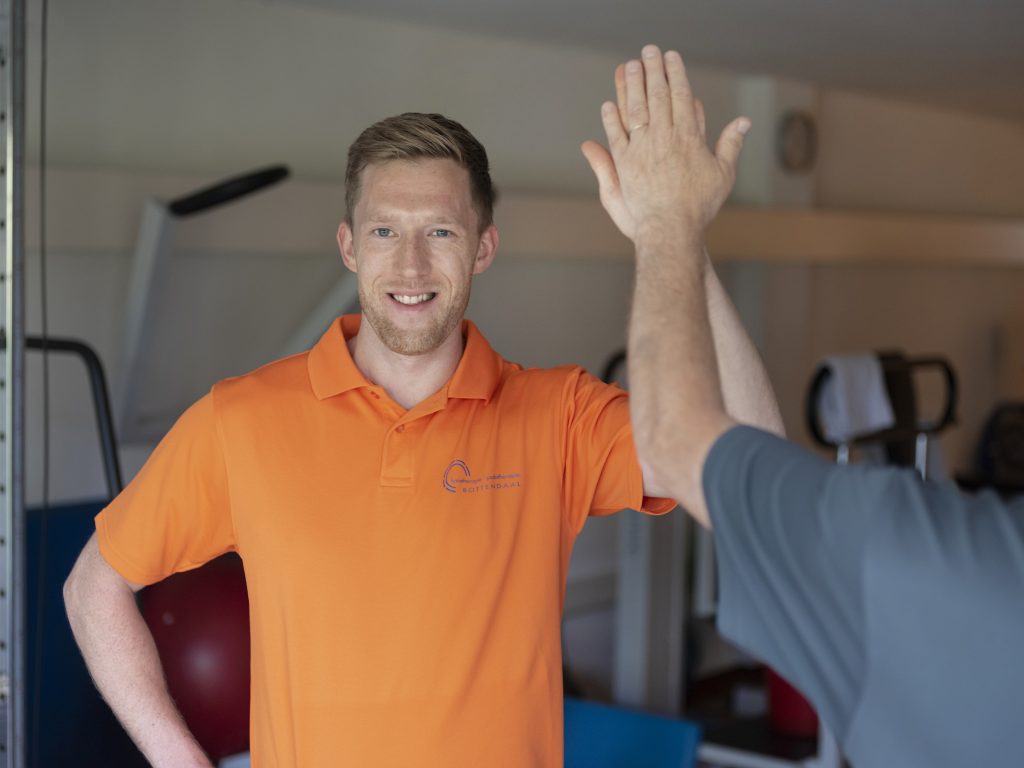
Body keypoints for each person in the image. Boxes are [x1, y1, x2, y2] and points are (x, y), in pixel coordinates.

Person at [64, 111, 780, 766]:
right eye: (385, 231)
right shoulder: (240, 420)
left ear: (483, 247)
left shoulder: (557, 415)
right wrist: (178, 759)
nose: (409, 266)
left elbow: (755, 479)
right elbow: (94, 584)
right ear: (349, 245)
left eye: (440, 231)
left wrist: (679, 236)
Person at [584, 44, 1024, 767]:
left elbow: (706, 443)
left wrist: (668, 225)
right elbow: (727, 450)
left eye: (440, 231)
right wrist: (676, 238)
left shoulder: (952, 568)